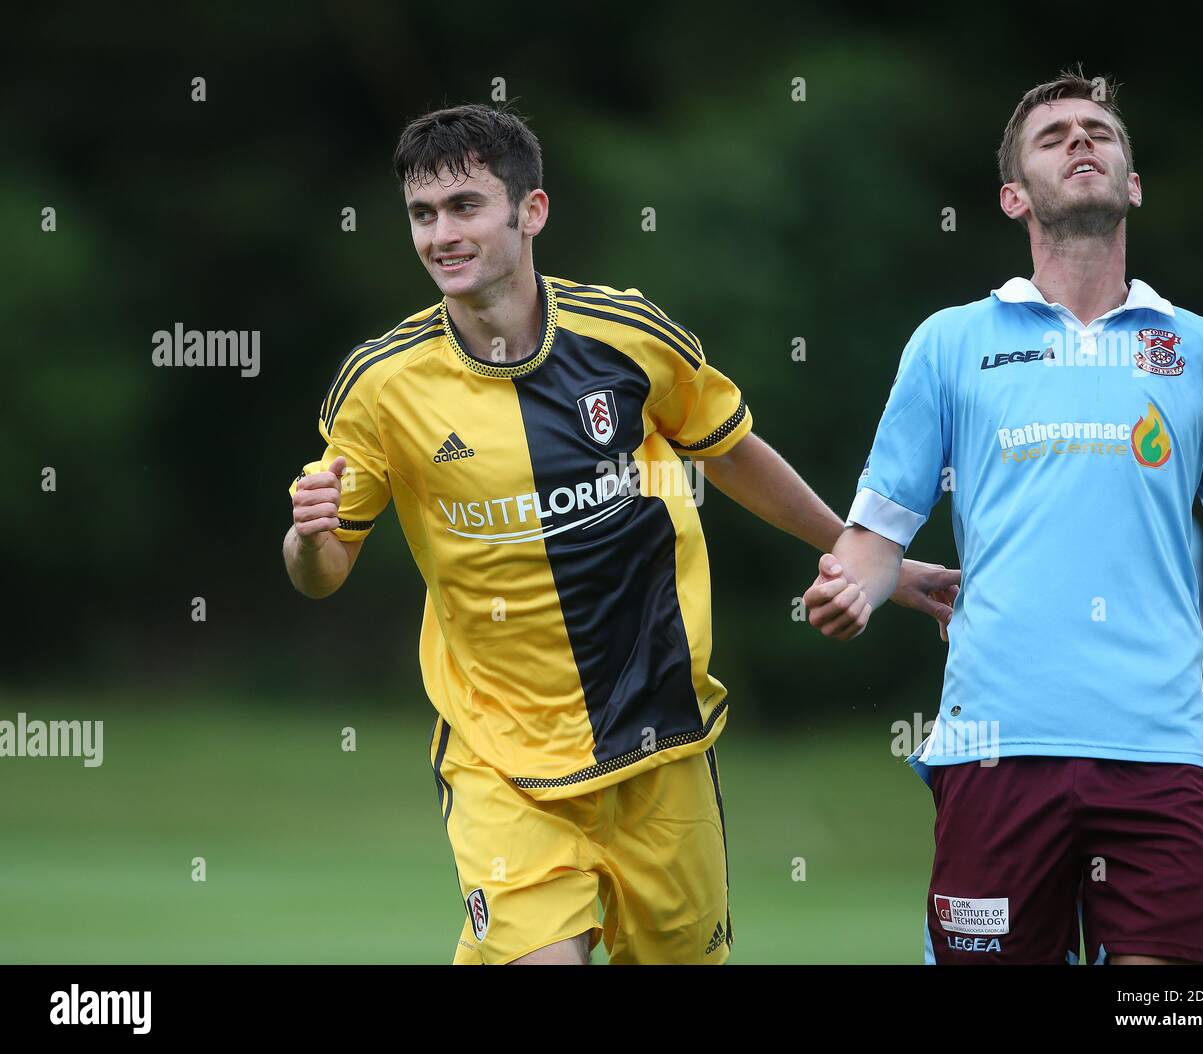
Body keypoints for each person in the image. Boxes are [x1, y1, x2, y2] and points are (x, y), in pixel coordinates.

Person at [283, 104, 959, 964]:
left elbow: (732, 455)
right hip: (504, 766)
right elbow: (323, 569)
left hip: (661, 743)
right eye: (423, 214)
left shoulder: (628, 336)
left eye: (464, 207)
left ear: (531, 212)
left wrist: (875, 562)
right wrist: (309, 541)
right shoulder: (381, 388)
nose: (440, 234)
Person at [804, 70, 1203, 965]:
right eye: (1055, 135)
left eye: (1100, 132)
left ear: (1132, 184)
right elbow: (879, 536)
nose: (1082, 142)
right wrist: (852, 590)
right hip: (995, 752)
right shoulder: (951, 342)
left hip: (1160, 758)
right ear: (1012, 196)